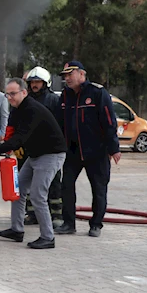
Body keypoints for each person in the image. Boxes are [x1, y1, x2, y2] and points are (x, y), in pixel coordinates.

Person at [0, 78, 66, 249]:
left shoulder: (32, 109)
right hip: (36, 154)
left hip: (51, 154)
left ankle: (48, 237)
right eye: (7, 94)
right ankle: (17, 230)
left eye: (13, 93)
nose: (10, 97)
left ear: (24, 92)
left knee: (37, 195)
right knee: (18, 190)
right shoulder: (17, 109)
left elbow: (20, 138)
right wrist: (5, 146)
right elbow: (13, 133)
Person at [55, 61, 121, 238]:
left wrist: (114, 148)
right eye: (65, 76)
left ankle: (96, 224)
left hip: (96, 151)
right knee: (66, 186)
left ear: (81, 74)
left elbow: (109, 122)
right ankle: (69, 223)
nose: (66, 78)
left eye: (70, 74)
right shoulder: (65, 96)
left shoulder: (97, 93)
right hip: (73, 151)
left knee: (99, 189)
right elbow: (59, 123)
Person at [22, 66, 63, 227]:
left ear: (45, 83)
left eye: (38, 82)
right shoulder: (25, 100)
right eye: (32, 82)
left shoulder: (53, 100)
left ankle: (56, 215)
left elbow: (60, 124)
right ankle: (32, 214)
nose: (34, 85)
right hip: (30, 148)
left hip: (50, 149)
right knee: (28, 184)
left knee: (53, 183)